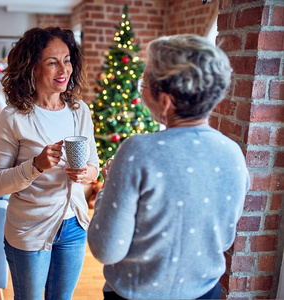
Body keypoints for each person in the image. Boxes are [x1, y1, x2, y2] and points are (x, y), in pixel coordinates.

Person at [87, 34, 251, 300]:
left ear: (166, 101)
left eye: (145, 83)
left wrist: (108, 185)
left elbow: (106, 249)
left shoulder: (138, 151)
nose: (141, 90)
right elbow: (222, 240)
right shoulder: (233, 154)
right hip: (206, 293)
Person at [0, 27, 99, 300]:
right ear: (31, 68)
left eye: (67, 59)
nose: (64, 69)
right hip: (30, 229)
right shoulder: (12, 117)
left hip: (74, 226)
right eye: (52, 62)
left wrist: (85, 173)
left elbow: (94, 165)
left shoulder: (79, 111)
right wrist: (35, 166)